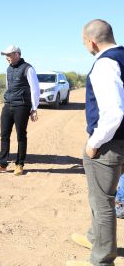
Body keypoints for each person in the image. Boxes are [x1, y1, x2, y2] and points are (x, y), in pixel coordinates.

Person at [67, 20, 124, 266]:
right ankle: (94, 237)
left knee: (102, 202)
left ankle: (102, 260)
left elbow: (113, 112)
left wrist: (95, 142)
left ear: (91, 41)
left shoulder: (105, 64)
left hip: (111, 144)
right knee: (101, 199)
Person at [0, 45, 39, 176]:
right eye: (5, 55)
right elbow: (8, 86)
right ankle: (3, 164)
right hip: (8, 105)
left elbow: (35, 89)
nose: (6, 58)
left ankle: (19, 164)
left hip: (21, 106)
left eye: (8, 55)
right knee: (4, 135)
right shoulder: (8, 69)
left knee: (21, 136)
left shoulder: (28, 68)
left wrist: (34, 108)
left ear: (17, 54)